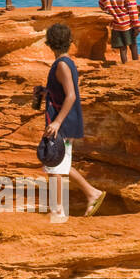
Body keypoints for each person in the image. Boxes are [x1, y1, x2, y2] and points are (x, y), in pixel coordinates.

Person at [41, 22, 106, 222]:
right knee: (58, 163)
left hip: (63, 122)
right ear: (69, 42)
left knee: (54, 165)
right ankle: (90, 193)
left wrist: (57, 123)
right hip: (65, 120)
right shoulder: (66, 62)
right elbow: (64, 92)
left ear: (49, 43)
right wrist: (45, 92)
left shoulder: (61, 65)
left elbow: (70, 96)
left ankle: (59, 210)